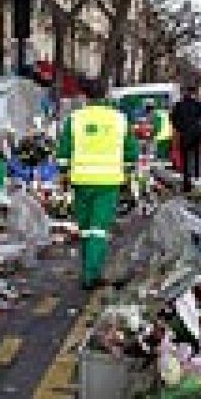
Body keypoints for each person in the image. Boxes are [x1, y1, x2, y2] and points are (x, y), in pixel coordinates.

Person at [56, 86, 138, 291]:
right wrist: (127, 172)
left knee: (85, 229)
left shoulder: (75, 119)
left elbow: (64, 151)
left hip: (81, 180)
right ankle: (91, 275)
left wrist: (64, 172)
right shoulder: (119, 119)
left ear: (85, 98)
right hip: (107, 182)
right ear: (106, 96)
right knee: (98, 230)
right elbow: (130, 152)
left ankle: (87, 270)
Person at [171, 86, 201, 192]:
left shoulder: (179, 105)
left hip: (184, 136)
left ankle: (187, 184)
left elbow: (174, 120)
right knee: (197, 159)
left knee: (186, 160)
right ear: (194, 93)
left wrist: (181, 129)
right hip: (196, 136)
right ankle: (197, 182)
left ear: (185, 93)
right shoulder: (198, 105)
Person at [147, 98, 173, 163]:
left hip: (159, 138)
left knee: (156, 157)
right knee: (165, 157)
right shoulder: (164, 112)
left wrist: (151, 135)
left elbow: (156, 127)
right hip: (168, 136)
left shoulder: (154, 115)